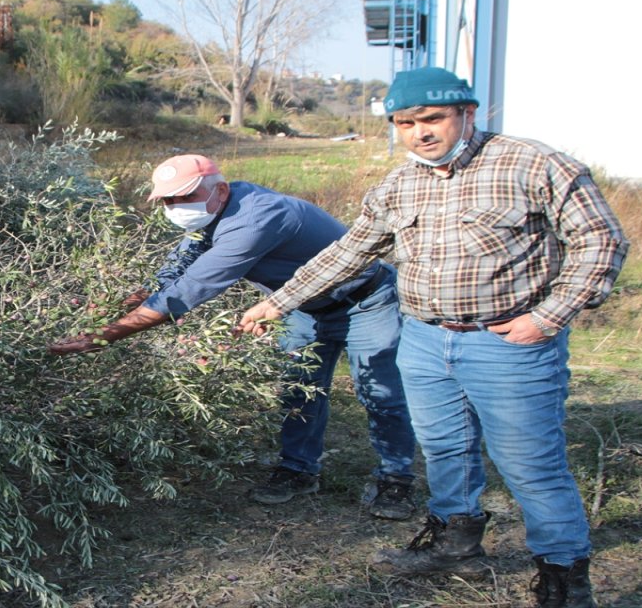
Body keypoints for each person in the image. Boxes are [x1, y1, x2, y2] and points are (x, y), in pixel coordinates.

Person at [236, 67, 629, 608]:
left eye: (432, 119)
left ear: (468, 114)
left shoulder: (534, 164)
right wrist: (276, 301)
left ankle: (562, 574)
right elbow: (347, 253)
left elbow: (601, 241)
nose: (419, 132)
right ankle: (454, 542)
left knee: (529, 463)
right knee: (445, 448)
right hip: (422, 340)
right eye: (404, 122)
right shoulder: (399, 185)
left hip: (508, 345)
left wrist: (549, 316)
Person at [48, 153, 418, 519]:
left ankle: (396, 479)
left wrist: (101, 337)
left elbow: (187, 291)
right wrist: (110, 308)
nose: (175, 207)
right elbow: (170, 276)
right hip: (303, 309)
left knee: (380, 394)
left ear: (220, 190)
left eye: (183, 197)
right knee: (297, 390)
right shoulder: (211, 214)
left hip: (366, 301)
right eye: (167, 201)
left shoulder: (254, 219)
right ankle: (298, 470)